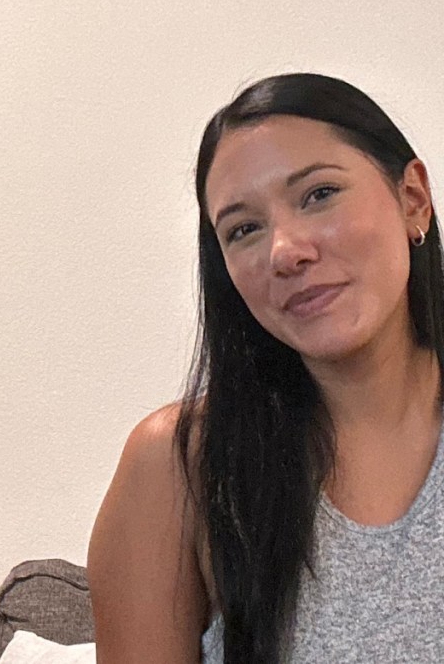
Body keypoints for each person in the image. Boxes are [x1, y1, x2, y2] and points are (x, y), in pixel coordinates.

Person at [87, 73, 443, 663]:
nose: (285, 251)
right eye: (244, 229)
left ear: (412, 199)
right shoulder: (180, 468)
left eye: (318, 194)